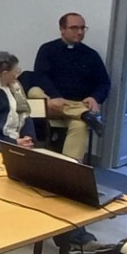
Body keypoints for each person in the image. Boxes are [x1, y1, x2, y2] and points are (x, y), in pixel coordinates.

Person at [28, 12, 110, 162]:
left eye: (82, 28)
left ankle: (68, 167)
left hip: (76, 103)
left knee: (80, 126)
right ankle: (85, 114)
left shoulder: (91, 55)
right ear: (62, 29)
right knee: (34, 91)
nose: (79, 32)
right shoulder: (47, 49)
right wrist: (55, 97)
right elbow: (40, 77)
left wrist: (95, 97)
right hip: (51, 104)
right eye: (74, 28)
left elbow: (104, 82)